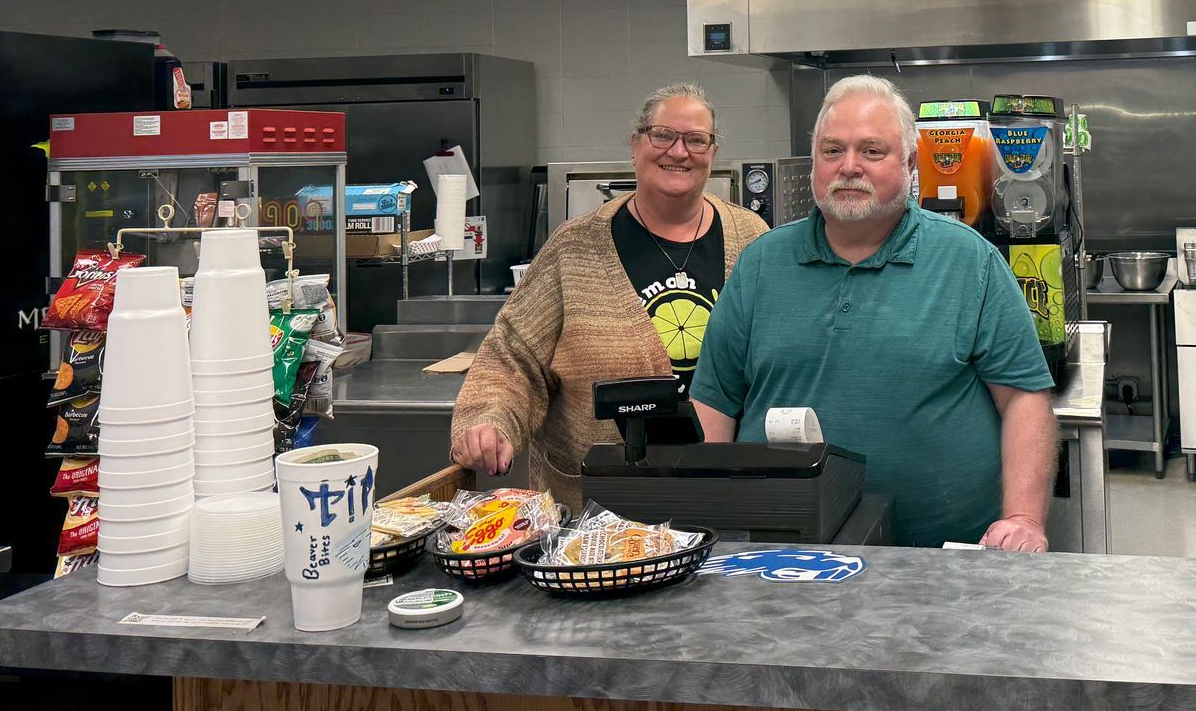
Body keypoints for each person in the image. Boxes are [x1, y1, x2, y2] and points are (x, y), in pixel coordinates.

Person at [690, 74, 1056, 550]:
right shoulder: (761, 263)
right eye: (832, 150)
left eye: (871, 151)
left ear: (909, 163)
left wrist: (1023, 518)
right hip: (779, 552)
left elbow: (1023, 398)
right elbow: (715, 400)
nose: (849, 167)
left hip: (942, 560)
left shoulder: (970, 261)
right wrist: (703, 523)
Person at [451, 83, 765, 510]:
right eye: (662, 135)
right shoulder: (574, 247)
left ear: (712, 152)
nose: (678, 152)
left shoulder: (752, 240)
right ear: (635, 144)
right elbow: (513, 356)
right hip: (597, 507)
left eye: (696, 140)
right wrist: (489, 419)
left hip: (725, 497)